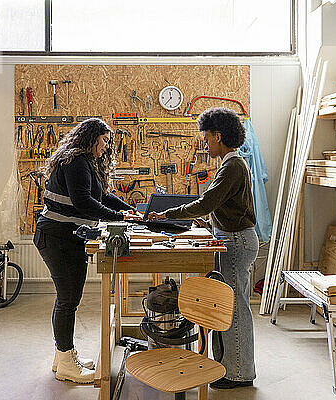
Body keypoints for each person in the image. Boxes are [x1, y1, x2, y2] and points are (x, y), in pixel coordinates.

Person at [149, 107, 258, 390]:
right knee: (230, 306)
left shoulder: (232, 166)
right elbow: (222, 206)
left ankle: (238, 374)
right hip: (232, 238)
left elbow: (206, 201)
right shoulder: (230, 165)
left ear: (219, 136)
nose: (205, 144)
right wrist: (206, 219)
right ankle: (231, 368)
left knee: (232, 309)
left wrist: (168, 214)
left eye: (207, 138)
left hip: (236, 241)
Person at [33, 118, 141, 384]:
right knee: (68, 300)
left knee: (67, 299)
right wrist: (119, 218)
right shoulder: (77, 161)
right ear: (91, 138)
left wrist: (127, 210)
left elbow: (100, 196)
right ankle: (67, 362)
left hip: (63, 237)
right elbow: (83, 203)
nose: (106, 147)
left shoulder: (83, 162)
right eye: (104, 141)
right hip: (58, 238)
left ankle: (63, 357)